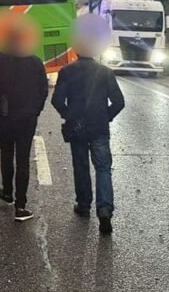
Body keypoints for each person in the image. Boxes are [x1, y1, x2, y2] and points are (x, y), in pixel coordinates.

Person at [51, 33, 125, 236]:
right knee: (103, 168)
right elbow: (119, 102)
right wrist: (106, 116)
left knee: (81, 166)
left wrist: (68, 115)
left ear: (76, 50)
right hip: (99, 127)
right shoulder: (105, 72)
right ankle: (105, 208)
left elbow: (57, 100)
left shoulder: (66, 72)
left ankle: (84, 205)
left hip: (77, 128)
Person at [0, 30, 49, 221]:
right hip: (27, 118)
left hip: (5, 117)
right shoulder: (35, 62)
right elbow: (43, 89)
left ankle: (7, 192)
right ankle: (21, 205)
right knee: (23, 159)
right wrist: (35, 109)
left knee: (6, 154)